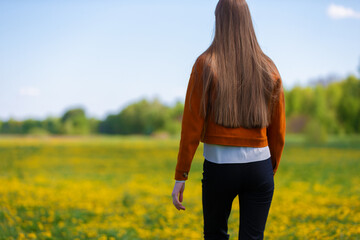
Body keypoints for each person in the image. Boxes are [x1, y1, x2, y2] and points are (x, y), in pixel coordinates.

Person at [171, 0, 286, 239]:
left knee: (215, 235)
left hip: (219, 167)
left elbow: (191, 126)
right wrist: (269, 169)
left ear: (219, 20)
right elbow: (278, 130)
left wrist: (181, 175)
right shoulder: (269, 68)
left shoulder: (205, 64)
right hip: (259, 167)